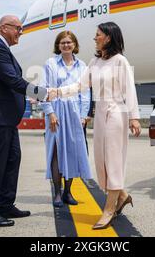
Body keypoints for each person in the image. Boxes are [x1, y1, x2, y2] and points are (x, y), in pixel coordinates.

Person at [52, 22, 141, 230]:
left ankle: (108, 210)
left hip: (117, 112)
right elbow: (79, 86)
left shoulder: (120, 61)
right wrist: (56, 92)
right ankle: (123, 196)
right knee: (101, 161)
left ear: (108, 37)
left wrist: (134, 117)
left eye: (98, 35)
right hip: (100, 112)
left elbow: (130, 90)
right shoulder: (95, 61)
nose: (95, 38)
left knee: (113, 160)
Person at [0, 15, 48, 227]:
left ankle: (6, 205)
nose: (20, 33)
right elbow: (12, 80)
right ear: (3, 28)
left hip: (4, 119)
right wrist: (42, 93)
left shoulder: (1, 48)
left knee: (12, 159)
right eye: (18, 28)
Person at [41, 31, 92, 207]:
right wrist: (50, 113)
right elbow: (44, 90)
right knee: (56, 152)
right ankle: (57, 192)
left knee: (72, 151)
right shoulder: (50, 63)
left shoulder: (82, 66)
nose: (66, 45)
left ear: (74, 44)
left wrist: (84, 115)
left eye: (69, 42)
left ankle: (68, 192)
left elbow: (85, 92)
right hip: (56, 110)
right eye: (62, 42)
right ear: (58, 45)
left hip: (75, 112)